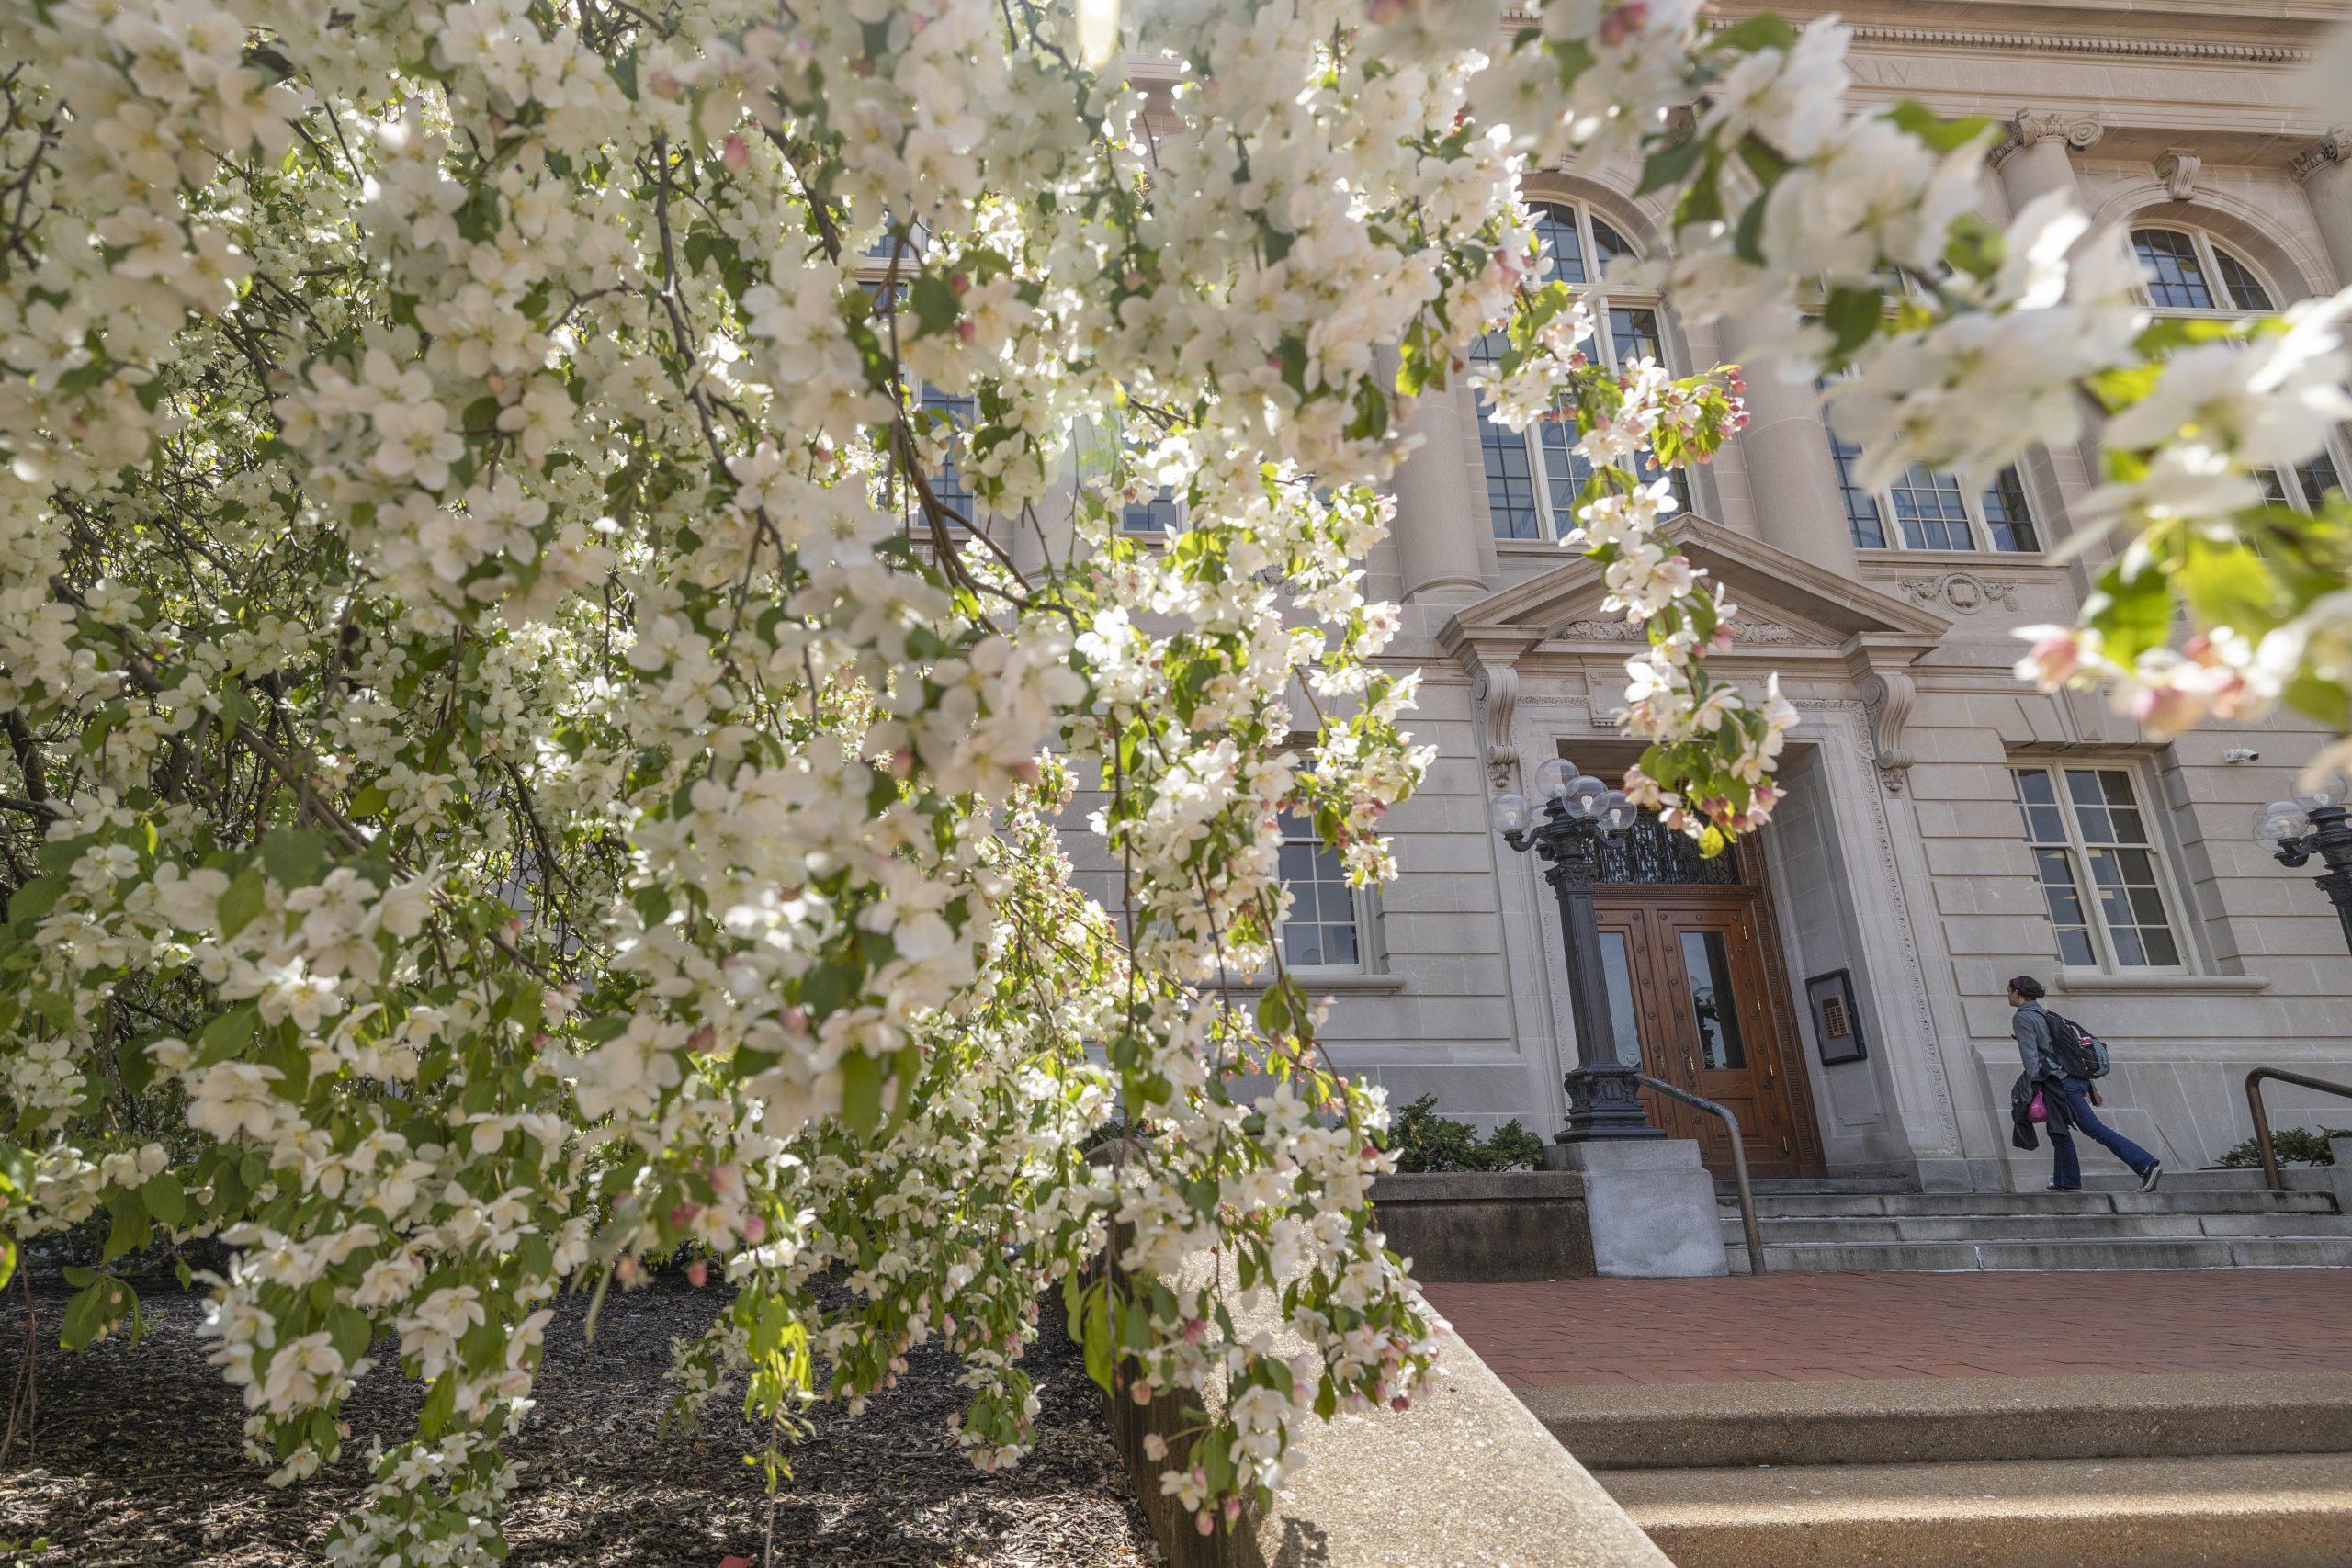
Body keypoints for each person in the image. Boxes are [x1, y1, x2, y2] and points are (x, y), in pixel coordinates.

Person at [2009, 976, 2163, 1194]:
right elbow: (2068, 1053)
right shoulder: (2048, 1015)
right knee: (2058, 1129)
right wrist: (2089, 1087)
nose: (2007, 995)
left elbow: (2030, 1057)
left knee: (2093, 1128)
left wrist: (2035, 1086)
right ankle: (2067, 1180)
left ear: (2017, 992)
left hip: (2058, 1083)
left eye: (2008, 991)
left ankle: (2145, 1164)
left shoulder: (2023, 1017)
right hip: (2073, 1080)